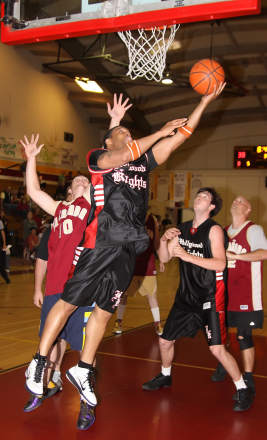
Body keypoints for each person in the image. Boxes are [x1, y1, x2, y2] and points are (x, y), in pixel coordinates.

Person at [22, 86, 225, 416]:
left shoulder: (143, 163)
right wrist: (158, 131)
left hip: (129, 248)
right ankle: (39, 361)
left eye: (128, 131)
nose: (127, 133)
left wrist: (203, 102)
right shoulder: (99, 159)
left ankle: (83, 369)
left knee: (104, 311)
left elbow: (182, 136)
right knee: (69, 301)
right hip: (101, 242)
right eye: (120, 131)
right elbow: (123, 155)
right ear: (107, 142)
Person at [142, 188, 254, 412]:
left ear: (212, 207)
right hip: (185, 298)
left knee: (217, 350)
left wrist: (188, 256)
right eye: (198, 195)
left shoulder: (213, 230)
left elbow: (220, 264)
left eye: (205, 197)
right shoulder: (182, 229)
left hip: (210, 298)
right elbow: (164, 257)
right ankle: (165, 376)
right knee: (165, 341)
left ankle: (243, 388)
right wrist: (163, 240)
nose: (199, 197)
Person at [24, 182, 95, 429]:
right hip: (55, 288)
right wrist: (37, 288)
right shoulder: (58, 216)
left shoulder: (92, 208)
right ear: (66, 196)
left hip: (82, 289)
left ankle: (87, 403)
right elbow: (42, 258)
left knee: (87, 350)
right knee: (49, 341)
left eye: (85, 179)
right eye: (76, 180)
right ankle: (40, 388)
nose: (82, 181)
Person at [211, 196, 267, 399]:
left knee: (243, 336)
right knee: (222, 334)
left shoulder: (253, 230)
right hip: (225, 294)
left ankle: (248, 376)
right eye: (235, 200)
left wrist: (236, 257)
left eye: (241, 200)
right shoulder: (224, 231)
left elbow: (266, 253)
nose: (236, 201)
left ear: (249, 209)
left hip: (247, 294)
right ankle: (223, 365)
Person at [112, 213, 165, 336]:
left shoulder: (152, 220)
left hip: (148, 262)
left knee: (152, 294)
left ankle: (157, 323)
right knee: (124, 294)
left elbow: (156, 242)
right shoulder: (129, 216)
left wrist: (161, 259)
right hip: (130, 262)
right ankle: (119, 321)